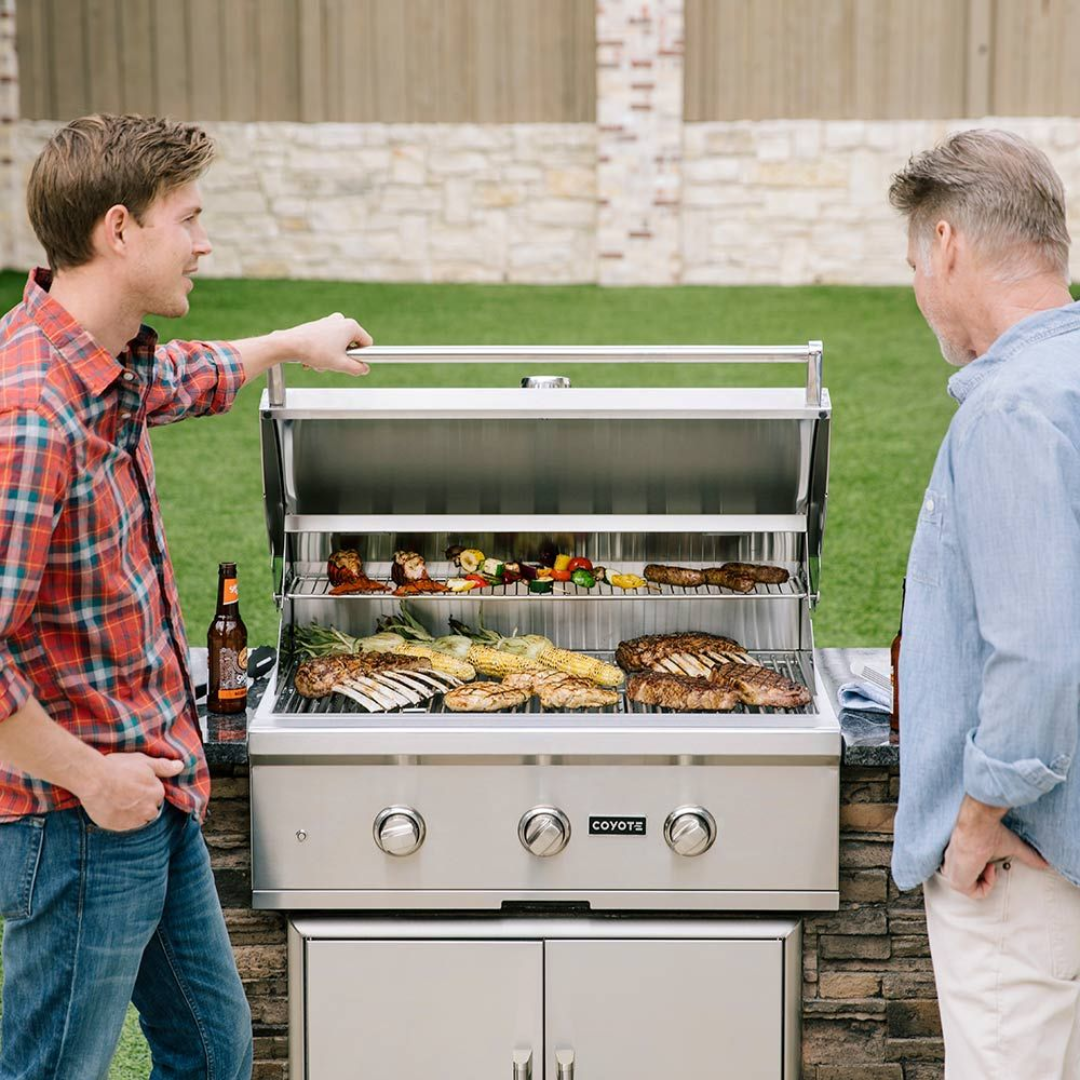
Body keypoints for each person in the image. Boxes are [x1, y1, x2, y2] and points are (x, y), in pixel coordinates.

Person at [0, 114, 372, 1079]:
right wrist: (91, 775)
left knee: (213, 1055)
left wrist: (294, 341)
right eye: (190, 220)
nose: (204, 244)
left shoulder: (106, 363)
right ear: (119, 231)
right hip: (80, 812)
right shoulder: (32, 412)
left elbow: (180, 376)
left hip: (153, 790)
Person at [889, 129, 1080, 1078]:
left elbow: (1040, 653)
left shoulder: (1010, 407)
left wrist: (978, 816)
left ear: (950, 245)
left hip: (1023, 865)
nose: (920, 287)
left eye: (916, 260)